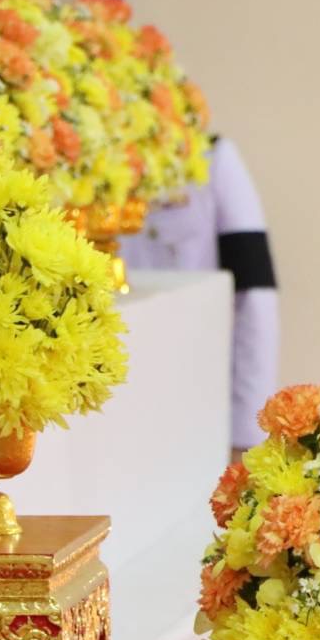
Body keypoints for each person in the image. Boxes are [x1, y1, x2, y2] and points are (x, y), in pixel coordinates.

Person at [121, 133, 279, 457]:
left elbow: (255, 293)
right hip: (103, 399)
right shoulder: (65, 158)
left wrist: (247, 431)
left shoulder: (210, 156)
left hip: (192, 399)